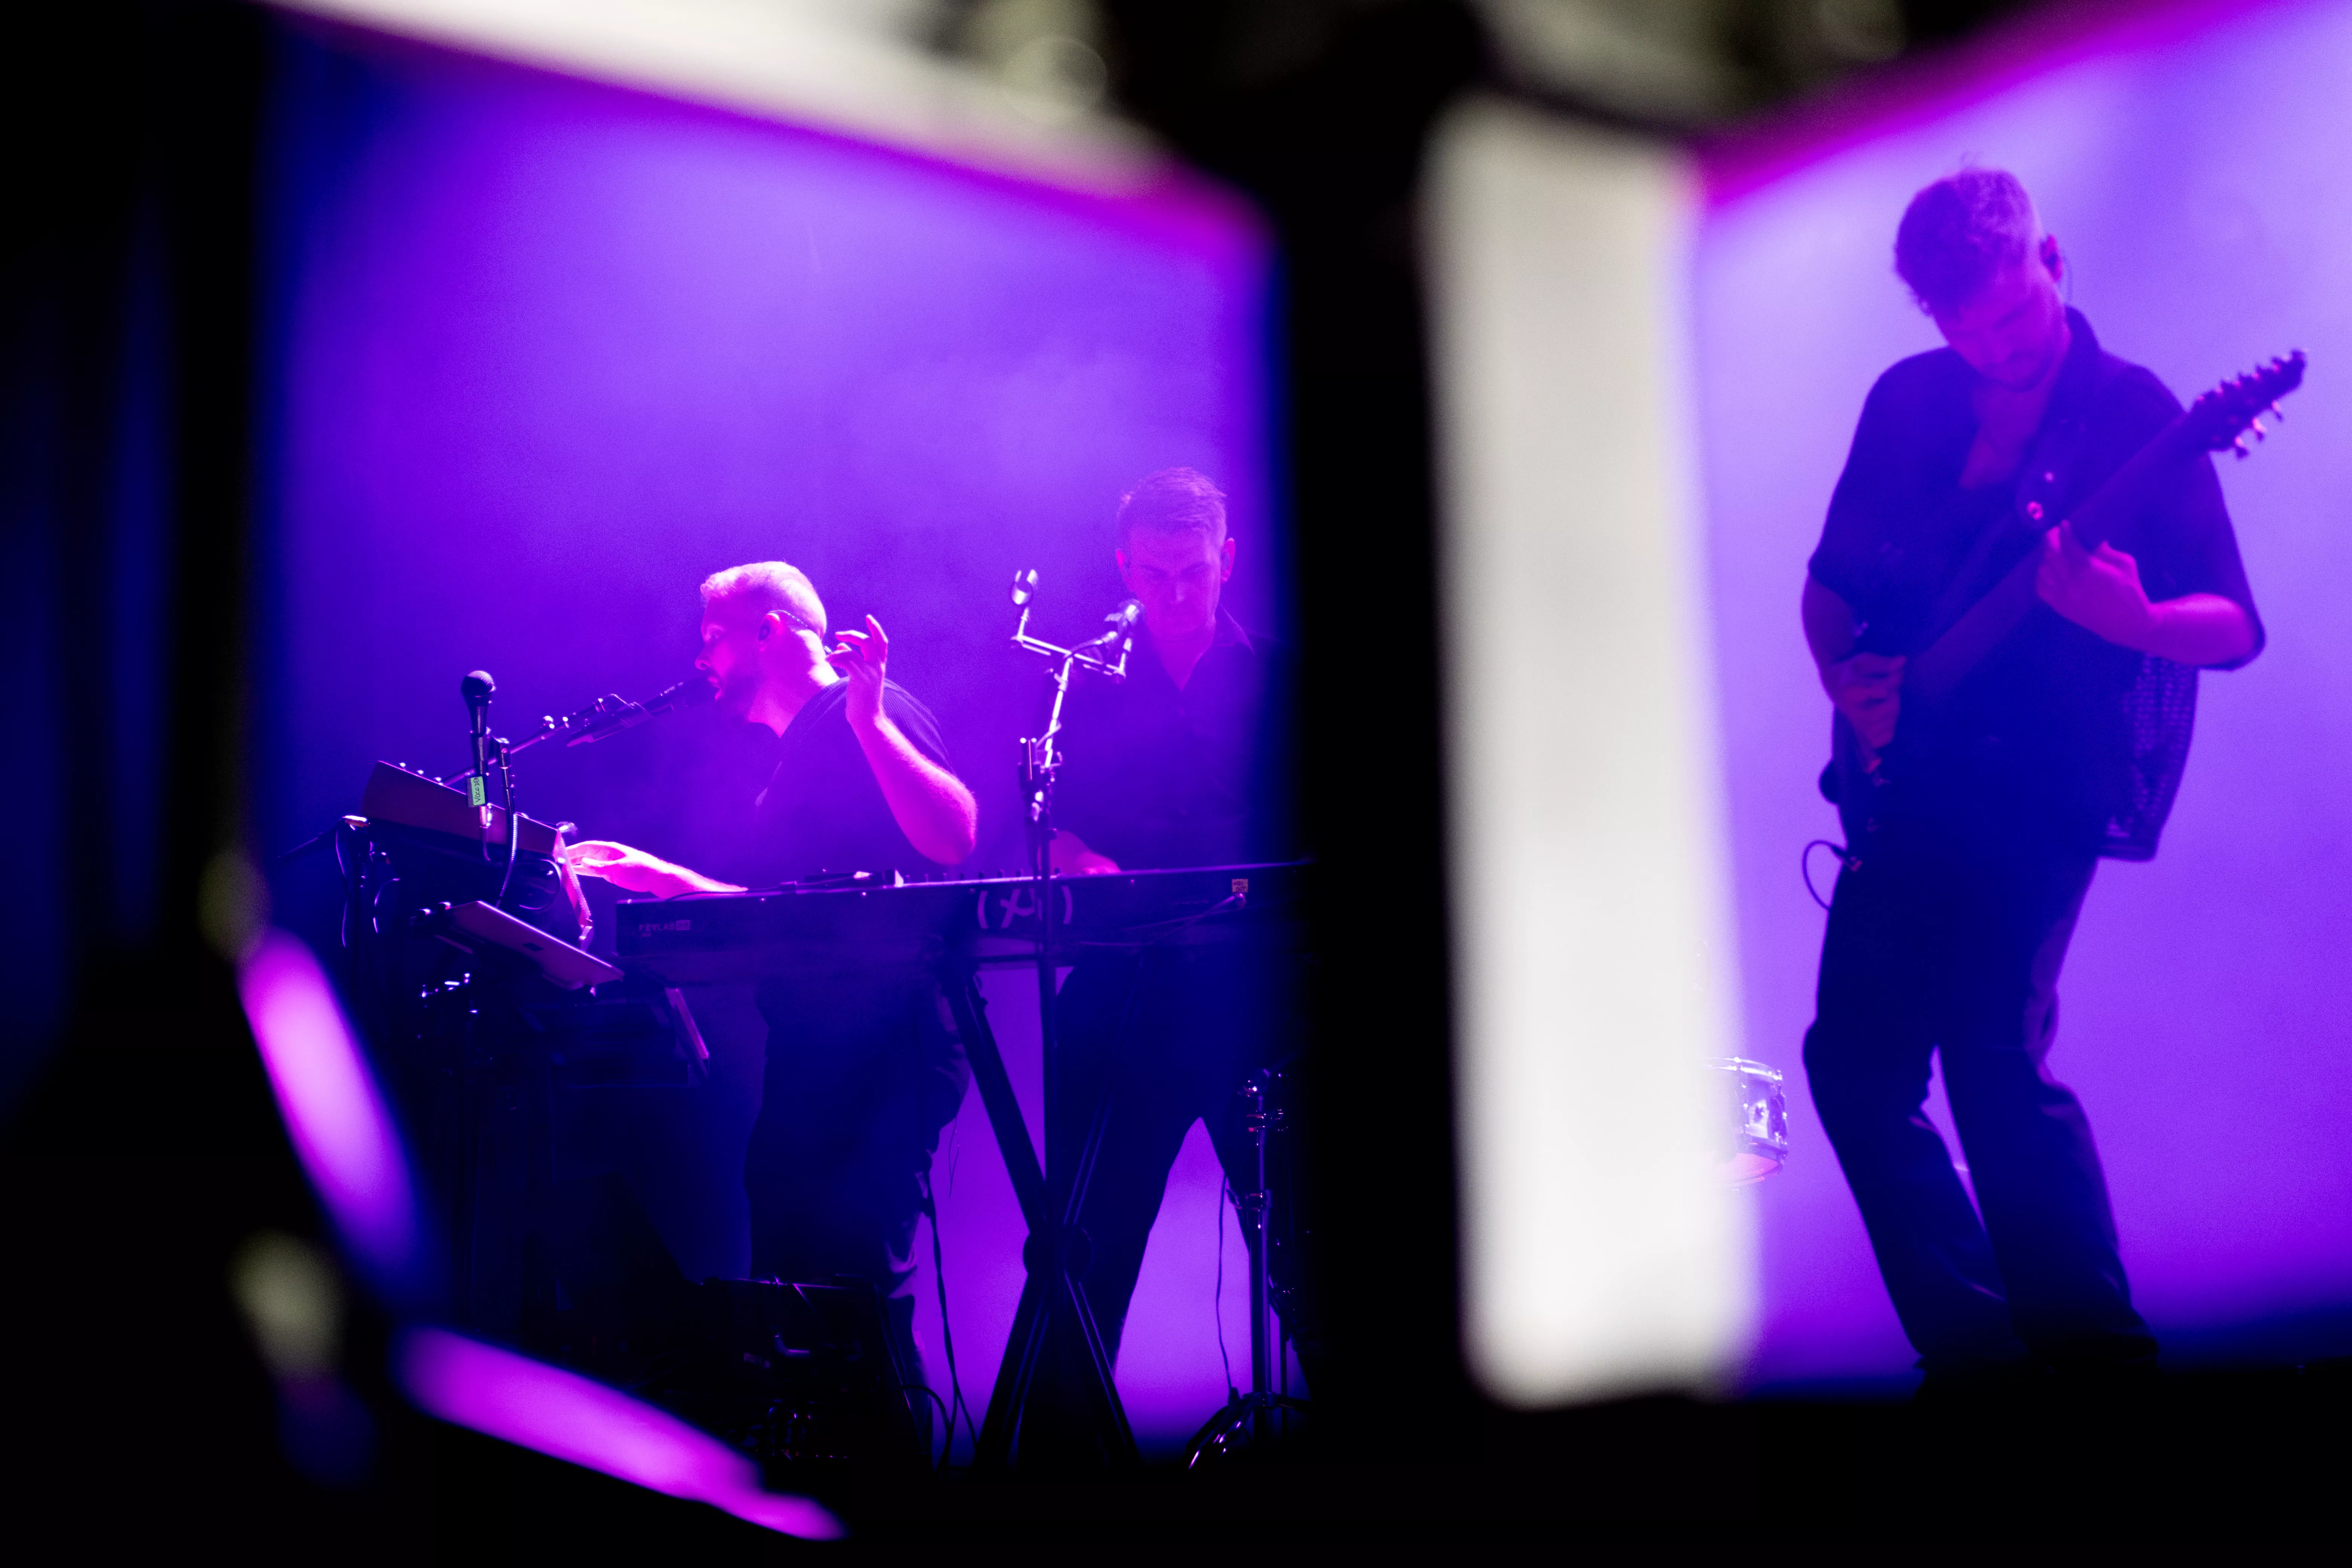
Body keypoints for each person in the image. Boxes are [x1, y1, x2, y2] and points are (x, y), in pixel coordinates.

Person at [1801, 171, 2263, 1392]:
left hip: (2041, 784)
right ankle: (1977, 1355)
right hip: (1903, 786)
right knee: (1852, 1067)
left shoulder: (2136, 416)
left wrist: (2138, 615)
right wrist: (1848, 684)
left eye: (2022, 315)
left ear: (2053, 258)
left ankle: (2098, 1366)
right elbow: (1829, 592)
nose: (2006, 348)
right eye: (1975, 332)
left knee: (1993, 1056)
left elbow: (2232, 623)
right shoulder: (1905, 404)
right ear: (1932, 321)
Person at [565, 561, 977, 1402]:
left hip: (880, 1061)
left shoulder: (868, 713)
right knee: (796, 1299)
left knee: (853, 1294)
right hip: (817, 1061)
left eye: (713, 637)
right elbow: (790, 912)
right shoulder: (798, 755)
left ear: (772, 632)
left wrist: (868, 719)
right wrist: (664, 878)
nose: (702, 659)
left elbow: (955, 836)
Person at [1032, 468, 1313, 1449]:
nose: (1177, 593)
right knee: (1080, 1252)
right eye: (1153, 575)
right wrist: (1073, 855)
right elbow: (1041, 825)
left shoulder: (1283, 679)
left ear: (1227, 560)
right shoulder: (1083, 687)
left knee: (1309, 1253)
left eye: (1193, 572)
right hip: (1122, 996)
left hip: (1260, 1002)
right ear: (1124, 567)